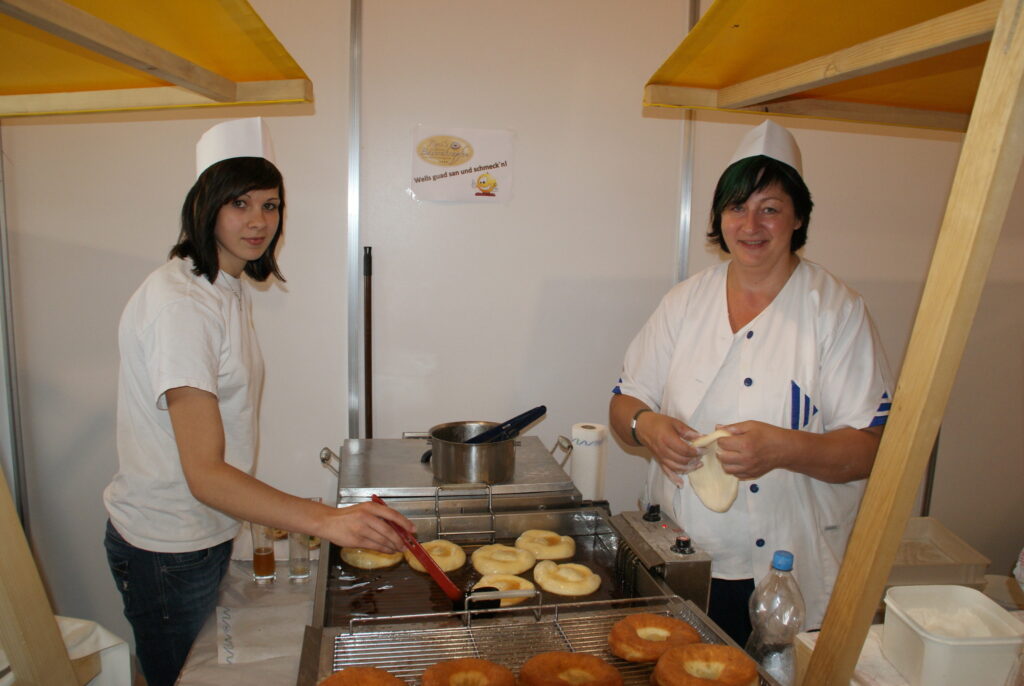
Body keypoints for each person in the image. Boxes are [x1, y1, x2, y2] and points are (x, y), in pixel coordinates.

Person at [102, 119, 413, 686]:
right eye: (238, 203)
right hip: (169, 547)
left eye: (270, 205)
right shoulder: (182, 307)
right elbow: (205, 474)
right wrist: (327, 520)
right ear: (205, 206)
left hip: (206, 532)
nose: (257, 221)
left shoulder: (225, 286)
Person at [609, 120, 893, 644]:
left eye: (771, 207)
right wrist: (647, 427)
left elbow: (869, 450)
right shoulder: (685, 302)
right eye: (738, 207)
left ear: (798, 216)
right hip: (681, 557)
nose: (751, 224)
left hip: (788, 570)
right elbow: (624, 403)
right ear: (720, 216)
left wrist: (783, 448)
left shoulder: (836, 312)